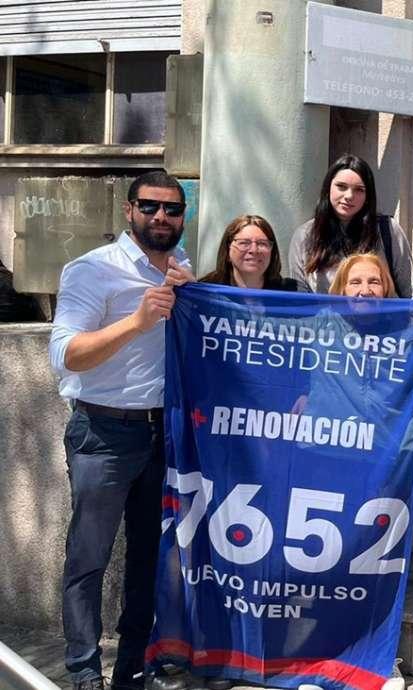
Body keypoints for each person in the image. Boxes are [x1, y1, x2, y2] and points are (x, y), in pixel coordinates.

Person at [48, 170, 193, 690]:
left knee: (148, 559)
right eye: (150, 206)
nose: (161, 216)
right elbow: (66, 355)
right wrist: (136, 321)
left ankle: (132, 669)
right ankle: (85, 671)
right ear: (129, 210)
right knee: (89, 556)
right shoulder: (93, 270)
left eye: (172, 209)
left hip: (162, 435)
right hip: (103, 433)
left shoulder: (182, 269)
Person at [289, 154, 413, 297]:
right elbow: (299, 298)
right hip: (325, 312)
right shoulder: (305, 236)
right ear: (328, 188)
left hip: (382, 312)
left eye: (359, 189)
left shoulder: (388, 230)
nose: (349, 196)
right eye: (341, 187)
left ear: (368, 196)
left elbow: (410, 293)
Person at [199, 214, 302, 291]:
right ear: (227, 249)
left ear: (272, 251)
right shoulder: (205, 292)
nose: (254, 250)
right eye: (244, 243)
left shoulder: (293, 292)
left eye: (262, 243)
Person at [329, 252, 397, 298]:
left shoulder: (399, 315)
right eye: (356, 283)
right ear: (342, 290)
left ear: (385, 288)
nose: (365, 292)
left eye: (374, 282)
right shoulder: (325, 316)